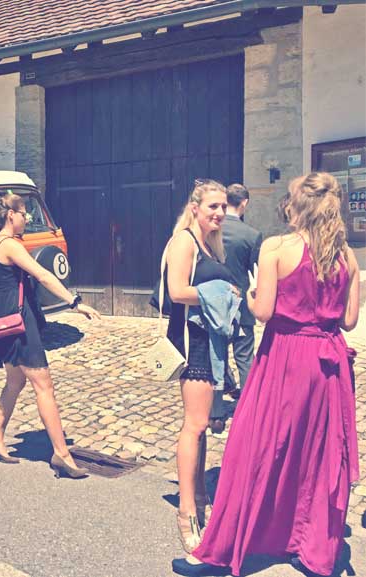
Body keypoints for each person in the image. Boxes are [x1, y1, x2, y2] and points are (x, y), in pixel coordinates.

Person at [173, 173, 359, 577]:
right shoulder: (347, 256)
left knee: (259, 447)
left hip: (286, 357)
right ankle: (309, 547)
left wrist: (253, 292)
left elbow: (262, 311)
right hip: (328, 364)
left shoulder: (277, 247)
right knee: (316, 453)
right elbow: (349, 319)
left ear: (297, 205)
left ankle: (222, 550)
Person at [0, 192, 101, 479]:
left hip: (3, 315)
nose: (27, 219)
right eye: (24, 213)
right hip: (19, 319)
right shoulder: (10, 244)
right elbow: (45, 275)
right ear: (11, 215)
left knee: (15, 381)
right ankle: (61, 453)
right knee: (43, 385)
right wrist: (74, 303)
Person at [165, 179, 239, 553]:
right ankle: (186, 511)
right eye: (212, 206)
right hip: (193, 344)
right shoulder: (184, 243)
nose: (219, 213)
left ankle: (203, 495)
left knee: (205, 426)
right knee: (193, 426)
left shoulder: (211, 246)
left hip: (210, 344)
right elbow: (177, 291)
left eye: (223, 206)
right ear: (195, 207)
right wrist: (222, 294)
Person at [221, 184, 262, 400]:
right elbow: (256, 271)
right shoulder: (252, 235)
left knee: (215, 353)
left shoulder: (210, 228)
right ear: (244, 203)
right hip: (241, 304)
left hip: (213, 302)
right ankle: (249, 402)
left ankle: (222, 393)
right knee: (244, 356)